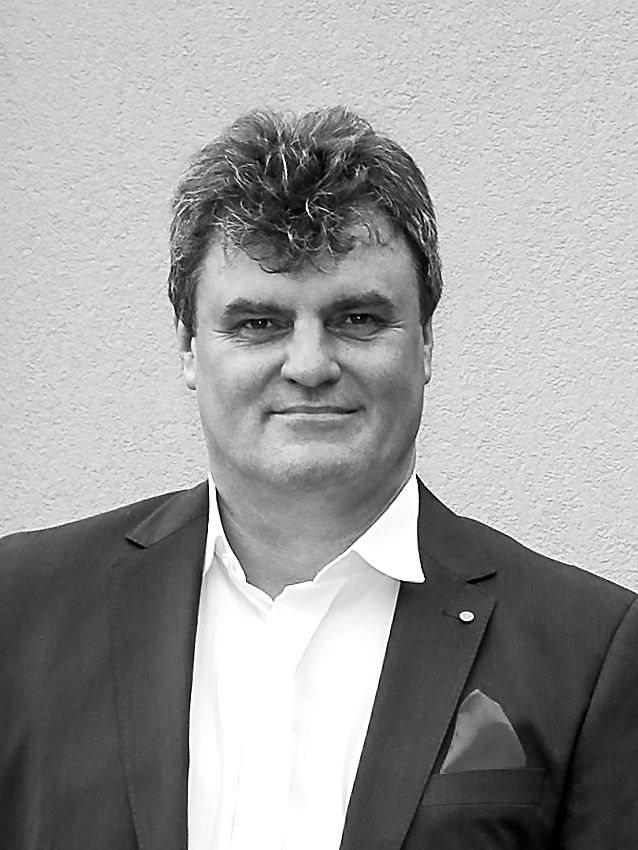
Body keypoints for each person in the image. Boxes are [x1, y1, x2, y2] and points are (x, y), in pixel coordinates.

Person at [1, 107, 637, 850]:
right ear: (188, 348)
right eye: (258, 324)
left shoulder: (591, 649)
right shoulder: (19, 608)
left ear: (426, 343)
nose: (309, 365)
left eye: (358, 319)